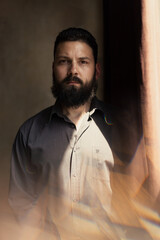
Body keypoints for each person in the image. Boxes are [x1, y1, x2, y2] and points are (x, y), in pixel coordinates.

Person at [8, 27, 117, 240]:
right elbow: (21, 204)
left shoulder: (119, 128)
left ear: (96, 71)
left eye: (83, 62)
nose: (73, 71)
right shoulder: (29, 134)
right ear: (53, 69)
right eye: (64, 61)